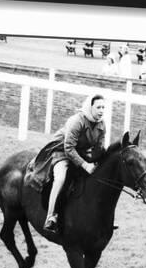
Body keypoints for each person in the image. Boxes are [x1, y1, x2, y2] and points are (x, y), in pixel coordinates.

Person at [28, 95, 106, 234]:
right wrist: (85, 165)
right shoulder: (76, 121)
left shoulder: (101, 125)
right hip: (61, 151)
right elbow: (68, 148)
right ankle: (51, 217)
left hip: (80, 153)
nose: (101, 110)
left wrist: (99, 162)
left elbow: (99, 149)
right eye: (98, 107)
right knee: (61, 179)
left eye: (103, 107)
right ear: (90, 107)